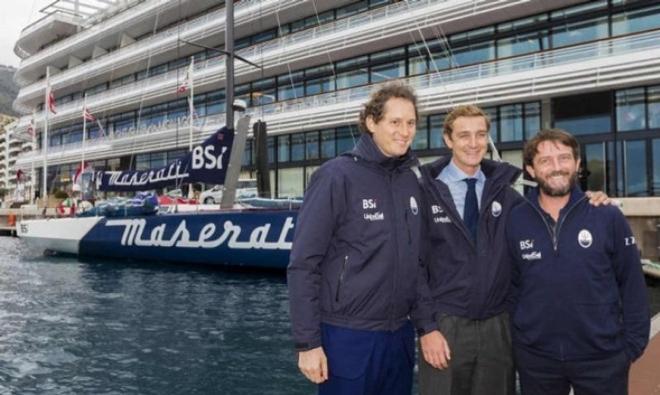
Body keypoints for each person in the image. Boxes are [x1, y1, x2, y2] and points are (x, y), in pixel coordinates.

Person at [415, 106, 611, 395]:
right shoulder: (424, 191)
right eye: (464, 135)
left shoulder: (507, 195)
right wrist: (427, 328)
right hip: (445, 326)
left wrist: (589, 199)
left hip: (499, 326)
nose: (473, 143)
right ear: (448, 140)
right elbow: (414, 265)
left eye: (480, 135)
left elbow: (549, 209)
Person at [287, 83, 424, 395]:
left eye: (411, 123)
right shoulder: (336, 176)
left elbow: (419, 262)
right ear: (372, 123)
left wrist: (424, 325)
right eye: (395, 122)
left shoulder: (412, 180)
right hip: (347, 337)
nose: (404, 131)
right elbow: (303, 265)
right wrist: (308, 343)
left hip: (399, 337)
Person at [506, 129, 650, 395]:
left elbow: (632, 284)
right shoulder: (515, 219)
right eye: (545, 161)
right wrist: (521, 343)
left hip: (602, 358)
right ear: (530, 169)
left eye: (564, 158)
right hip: (537, 360)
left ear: (577, 164)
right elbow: (512, 287)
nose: (557, 167)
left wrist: (631, 346)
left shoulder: (607, 216)